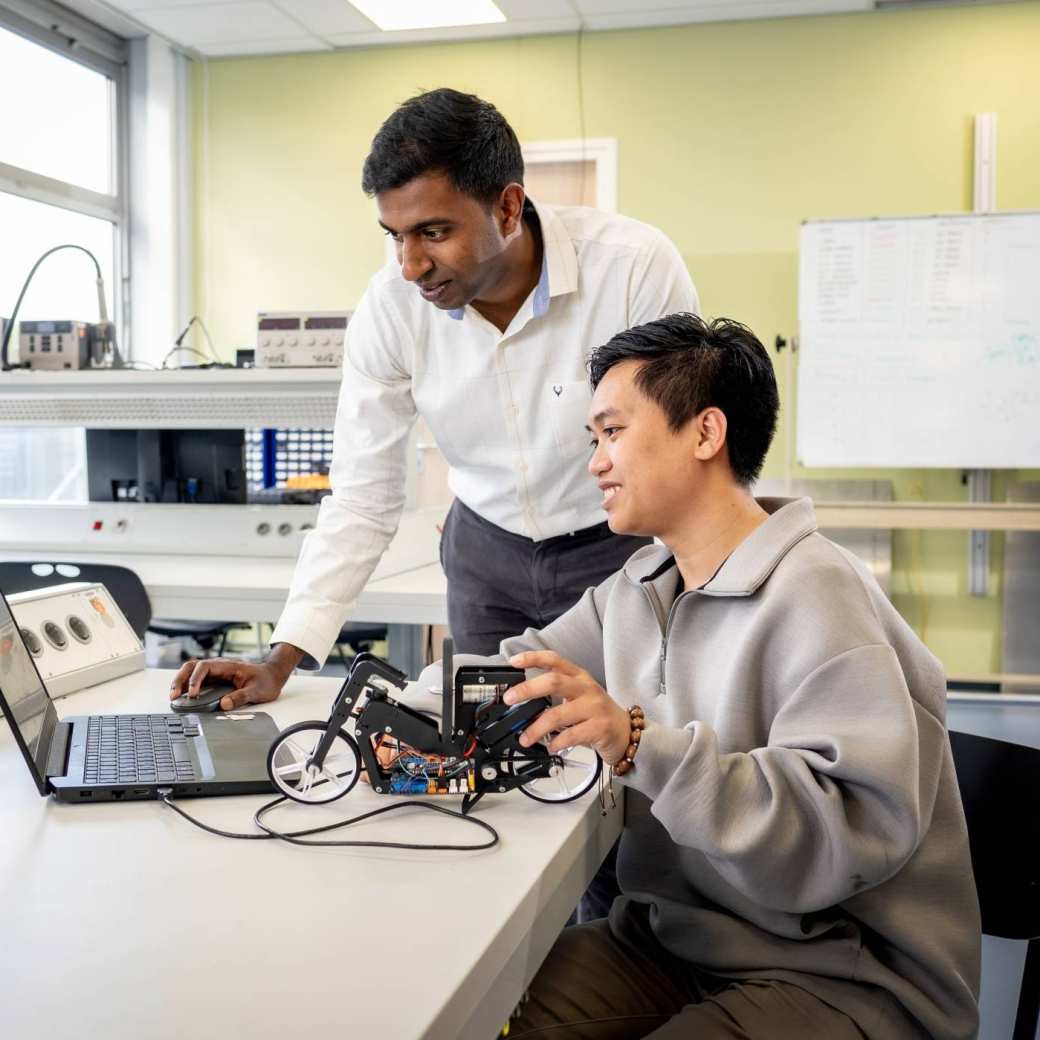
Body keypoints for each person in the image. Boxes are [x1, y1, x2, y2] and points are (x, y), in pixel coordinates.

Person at [423, 312, 981, 1039]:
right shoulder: (641, 584)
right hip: (676, 942)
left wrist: (636, 745)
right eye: (594, 439)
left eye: (614, 433)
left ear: (705, 434)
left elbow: (844, 839)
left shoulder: (818, 593)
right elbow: (518, 667)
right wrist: (390, 715)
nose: (595, 462)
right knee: (483, 1014)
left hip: (840, 972)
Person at [169, 87, 697, 712]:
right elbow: (363, 495)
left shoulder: (632, 270)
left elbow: (677, 450)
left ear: (507, 208)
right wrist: (282, 657)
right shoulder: (390, 310)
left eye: (433, 232)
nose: (411, 265)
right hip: (486, 556)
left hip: (617, 545)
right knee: (491, 750)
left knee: (621, 743)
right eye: (394, 236)